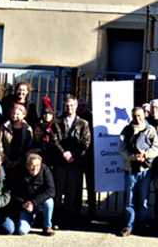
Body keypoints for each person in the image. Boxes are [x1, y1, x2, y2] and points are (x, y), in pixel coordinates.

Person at [118, 107, 158, 237]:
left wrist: (146, 155)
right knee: (130, 199)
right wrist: (133, 157)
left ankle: (142, 225)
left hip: (145, 170)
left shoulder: (150, 130)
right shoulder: (126, 130)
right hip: (130, 169)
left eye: (139, 115)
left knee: (143, 199)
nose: (137, 118)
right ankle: (129, 226)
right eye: (134, 116)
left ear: (144, 115)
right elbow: (122, 149)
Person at [53, 94, 91, 227]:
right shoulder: (57, 122)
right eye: (67, 105)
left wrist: (73, 154)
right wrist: (63, 153)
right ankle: (56, 219)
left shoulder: (83, 124)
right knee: (58, 191)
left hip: (76, 162)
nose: (69, 107)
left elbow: (86, 142)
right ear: (64, 106)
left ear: (76, 106)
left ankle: (68, 219)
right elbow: (55, 140)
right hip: (60, 161)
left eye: (72, 105)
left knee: (72, 192)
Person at [12, 153, 56, 236]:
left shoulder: (45, 172)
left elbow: (51, 190)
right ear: (27, 165)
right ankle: (33, 220)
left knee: (49, 202)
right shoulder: (20, 174)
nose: (35, 168)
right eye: (32, 165)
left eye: (37, 165)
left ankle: (47, 226)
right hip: (26, 205)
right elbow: (14, 192)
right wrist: (23, 203)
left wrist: (34, 202)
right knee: (22, 231)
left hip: (39, 203)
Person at [77, 97, 96, 219]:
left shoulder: (93, 118)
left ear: (87, 107)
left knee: (91, 185)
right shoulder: (74, 118)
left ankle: (92, 211)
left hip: (91, 155)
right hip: (77, 156)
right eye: (79, 106)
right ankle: (76, 210)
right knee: (77, 185)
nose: (81, 108)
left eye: (83, 105)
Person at [0, 104, 33, 170]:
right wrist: (6, 159)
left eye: (17, 114)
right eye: (13, 113)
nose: (14, 116)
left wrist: (19, 161)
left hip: (21, 162)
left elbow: (28, 147)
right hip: (6, 160)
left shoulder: (28, 129)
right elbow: (0, 143)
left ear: (23, 115)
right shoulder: (5, 126)